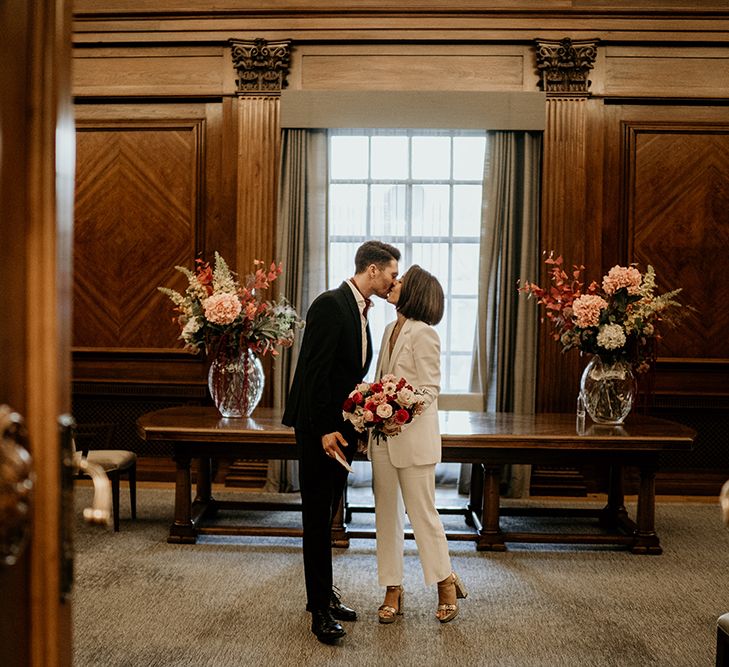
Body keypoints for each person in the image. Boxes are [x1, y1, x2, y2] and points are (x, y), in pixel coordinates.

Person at [282, 240, 400, 644]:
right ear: (372, 269)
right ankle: (318, 611)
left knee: (330, 511)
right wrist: (323, 431)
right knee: (317, 519)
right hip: (320, 430)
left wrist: (356, 426)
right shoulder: (331, 304)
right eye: (391, 273)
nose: (393, 281)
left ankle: (324, 595)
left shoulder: (360, 310)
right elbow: (313, 373)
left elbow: (344, 375)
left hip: (340, 429)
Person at [368, 265, 467, 624]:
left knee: (422, 516)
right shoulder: (388, 330)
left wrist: (400, 414)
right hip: (381, 439)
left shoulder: (424, 334)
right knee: (386, 517)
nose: (393, 284)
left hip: (413, 440)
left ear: (415, 293)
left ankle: (445, 583)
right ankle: (392, 588)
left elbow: (429, 389)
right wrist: (372, 410)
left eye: (400, 282)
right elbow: (381, 381)